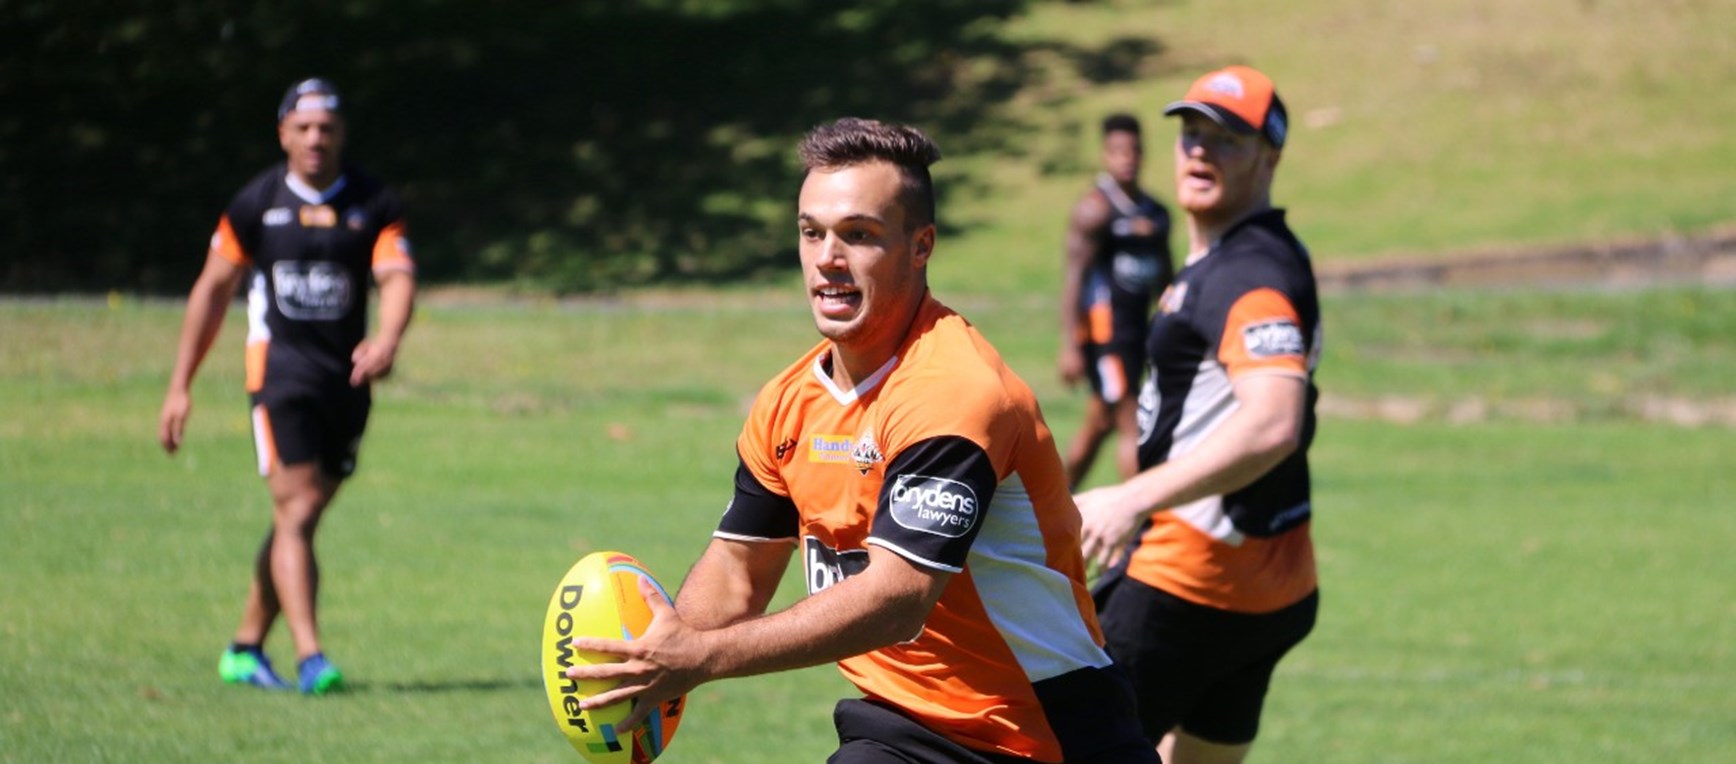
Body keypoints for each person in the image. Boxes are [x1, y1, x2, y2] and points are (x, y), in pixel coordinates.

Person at [567, 118, 1160, 764]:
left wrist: (699, 659)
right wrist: (655, 654)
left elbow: (897, 600)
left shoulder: (955, 393)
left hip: (1049, 738)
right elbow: (738, 573)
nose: (827, 258)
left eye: (859, 235)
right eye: (811, 232)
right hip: (903, 730)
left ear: (920, 245)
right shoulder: (788, 403)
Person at [1074, 66, 1321, 764]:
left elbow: (1274, 422)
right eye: (1190, 134)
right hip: (1266, 587)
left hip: (1190, 584)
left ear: (1270, 157)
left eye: (1227, 140)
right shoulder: (1245, 258)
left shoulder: (1248, 275)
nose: (1200, 152)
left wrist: (1131, 497)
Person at [157, 77, 416, 696]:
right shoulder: (256, 204)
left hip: (346, 382)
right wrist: (179, 385)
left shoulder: (373, 201)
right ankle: (310, 657)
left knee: (302, 513)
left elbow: (397, 274)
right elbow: (211, 292)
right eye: (302, 127)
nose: (315, 138)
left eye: (326, 127)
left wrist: (388, 339)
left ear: (340, 134)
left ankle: (244, 647)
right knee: (295, 509)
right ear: (283, 134)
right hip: (277, 375)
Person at [1057, 113, 1173, 489]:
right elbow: (1075, 278)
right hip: (1105, 334)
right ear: (1106, 155)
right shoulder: (1095, 210)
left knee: (1100, 421)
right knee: (1130, 418)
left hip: (1139, 331)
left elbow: (1166, 279)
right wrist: (1071, 345)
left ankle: (1049, 505)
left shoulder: (1157, 214)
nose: (1128, 158)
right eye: (1118, 151)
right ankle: (1143, 523)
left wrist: (1175, 326)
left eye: (1135, 150)